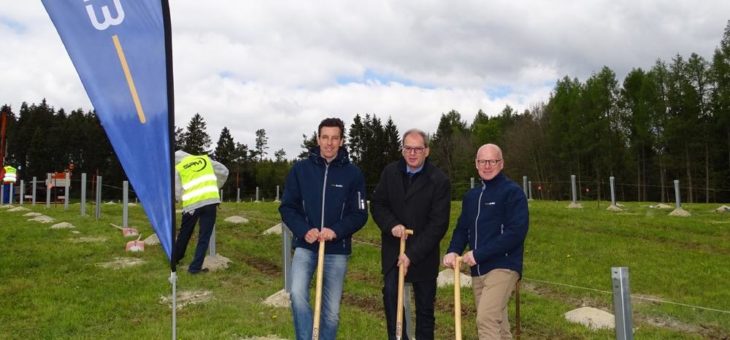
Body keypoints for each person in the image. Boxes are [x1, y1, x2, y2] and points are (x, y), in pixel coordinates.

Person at [279, 117, 368, 340]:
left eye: (334, 138)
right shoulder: (301, 170)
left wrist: (336, 231)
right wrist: (303, 230)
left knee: (331, 312)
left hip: (336, 249)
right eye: (325, 137)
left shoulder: (353, 174)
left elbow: (359, 214)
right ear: (318, 139)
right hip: (306, 246)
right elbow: (288, 207)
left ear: (342, 141)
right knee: (298, 294)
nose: (329, 143)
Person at [371, 129, 451, 340]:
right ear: (402, 150)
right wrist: (392, 225)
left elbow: (438, 224)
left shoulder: (439, 180)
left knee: (425, 309)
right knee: (391, 296)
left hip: (423, 254)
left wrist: (412, 255)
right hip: (394, 251)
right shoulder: (390, 173)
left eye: (418, 149)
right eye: (408, 148)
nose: (413, 153)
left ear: (427, 151)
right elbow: (378, 204)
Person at [442, 143, 529, 339]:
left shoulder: (512, 193)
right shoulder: (471, 197)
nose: (487, 166)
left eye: (492, 161)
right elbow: (462, 229)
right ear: (476, 164)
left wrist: (479, 254)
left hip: (503, 267)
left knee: (486, 319)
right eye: (482, 161)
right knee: (499, 326)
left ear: (502, 163)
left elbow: (516, 233)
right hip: (477, 271)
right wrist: (453, 250)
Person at [173, 150, 229, 274]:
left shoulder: (179, 167)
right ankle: (194, 268)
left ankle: (175, 259)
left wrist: (178, 198)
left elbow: (176, 189)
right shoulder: (205, 160)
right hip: (210, 202)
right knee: (204, 236)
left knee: (185, 233)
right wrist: (215, 186)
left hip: (192, 205)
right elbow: (224, 171)